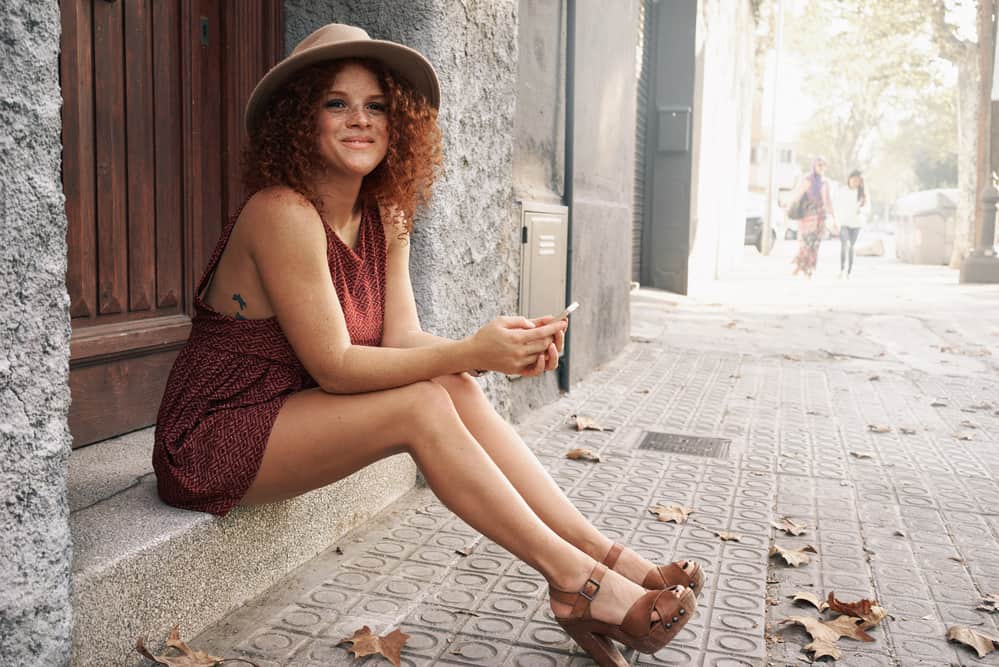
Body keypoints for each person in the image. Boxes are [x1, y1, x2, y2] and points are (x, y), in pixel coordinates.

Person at [152, 24, 701, 666]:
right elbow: (335, 366)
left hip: (291, 416)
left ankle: (609, 559)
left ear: (398, 121)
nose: (360, 120)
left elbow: (404, 339)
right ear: (298, 120)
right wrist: (472, 348)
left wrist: (502, 349)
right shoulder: (280, 210)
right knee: (423, 403)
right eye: (336, 103)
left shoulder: (388, 213)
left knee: (452, 386)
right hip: (214, 435)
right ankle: (574, 584)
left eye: (376, 105)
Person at [787, 156, 835, 277]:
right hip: (806, 217)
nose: (822, 168)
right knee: (805, 242)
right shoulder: (807, 179)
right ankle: (801, 265)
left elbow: (827, 201)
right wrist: (789, 206)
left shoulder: (825, 182)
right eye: (819, 165)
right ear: (814, 166)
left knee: (814, 244)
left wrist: (833, 216)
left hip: (819, 217)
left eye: (824, 165)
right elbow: (798, 194)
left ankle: (807, 267)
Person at [833, 169, 869, 278]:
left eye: (857, 181)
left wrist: (862, 210)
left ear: (860, 182)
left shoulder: (862, 193)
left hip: (856, 224)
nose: (855, 182)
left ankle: (849, 271)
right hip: (844, 223)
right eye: (853, 180)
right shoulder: (842, 191)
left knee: (851, 246)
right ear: (849, 179)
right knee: (845, 244)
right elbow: (836, 205)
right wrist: (835, 221)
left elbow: (867, 209)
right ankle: (842, 269)